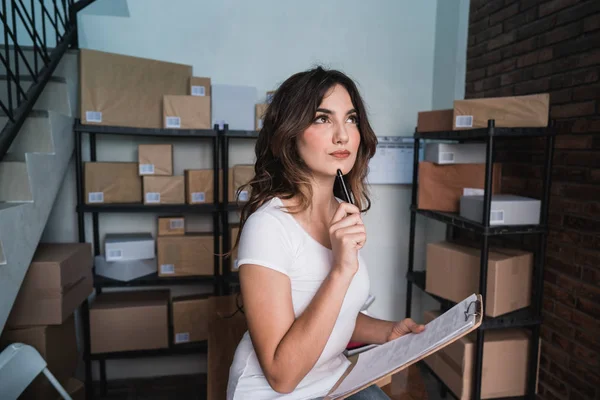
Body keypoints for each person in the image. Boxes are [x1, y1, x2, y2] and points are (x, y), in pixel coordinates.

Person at [226, 66, 425, 400]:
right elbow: (281, 375)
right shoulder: (268, 227)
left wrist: (387, 331)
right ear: (289, 133)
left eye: (350, 119)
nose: (342, 135)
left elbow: (339, 312)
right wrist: (342, 268)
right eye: (322, 118)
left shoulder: (342, 210)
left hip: (335, 379)